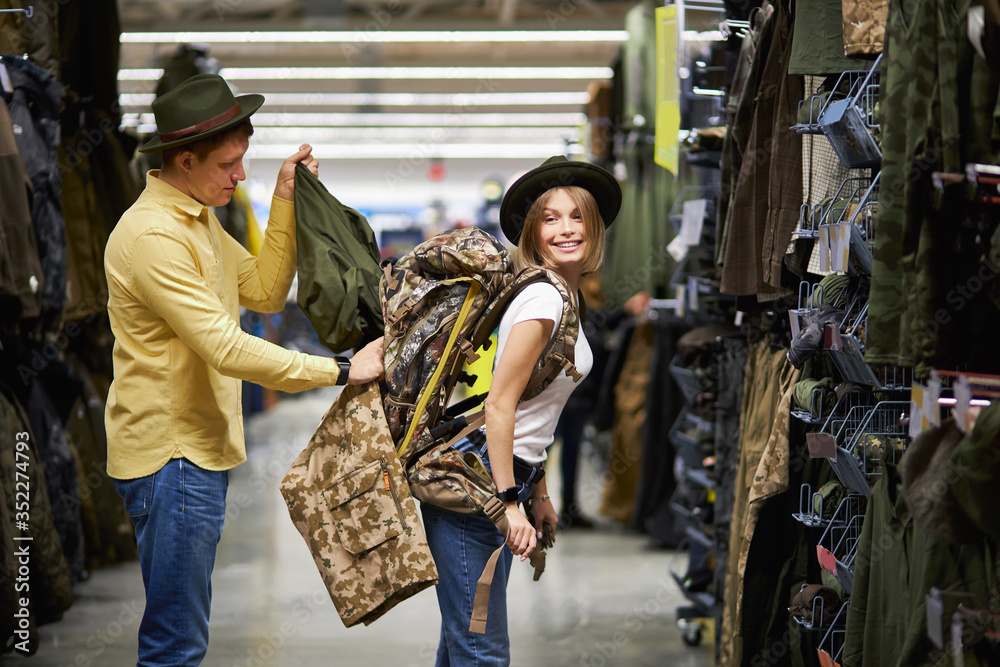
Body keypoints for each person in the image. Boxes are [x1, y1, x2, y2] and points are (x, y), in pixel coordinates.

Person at [103, 73, 384, 667]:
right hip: (169, 456)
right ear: (185, 159)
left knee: (181, 635)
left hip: (196, 451)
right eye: (230, 164)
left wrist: (286, 196)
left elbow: (262, 290)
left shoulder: (197, 221)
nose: (239, 175)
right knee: (175, 642)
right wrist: (338, 370)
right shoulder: (154, 235)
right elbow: (226, 347)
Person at [420, 155, 621, 666]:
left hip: (503, 479)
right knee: (482, 650)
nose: (566, 229)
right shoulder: (542, 302)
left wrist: (540, 493)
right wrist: (510, 502)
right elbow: (500, 405)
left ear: (594, 227)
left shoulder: (564, 296)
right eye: (550, 219)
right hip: (477, 491)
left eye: (577, 216)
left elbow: (538, 409)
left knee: (462, 642)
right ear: (533, 233)